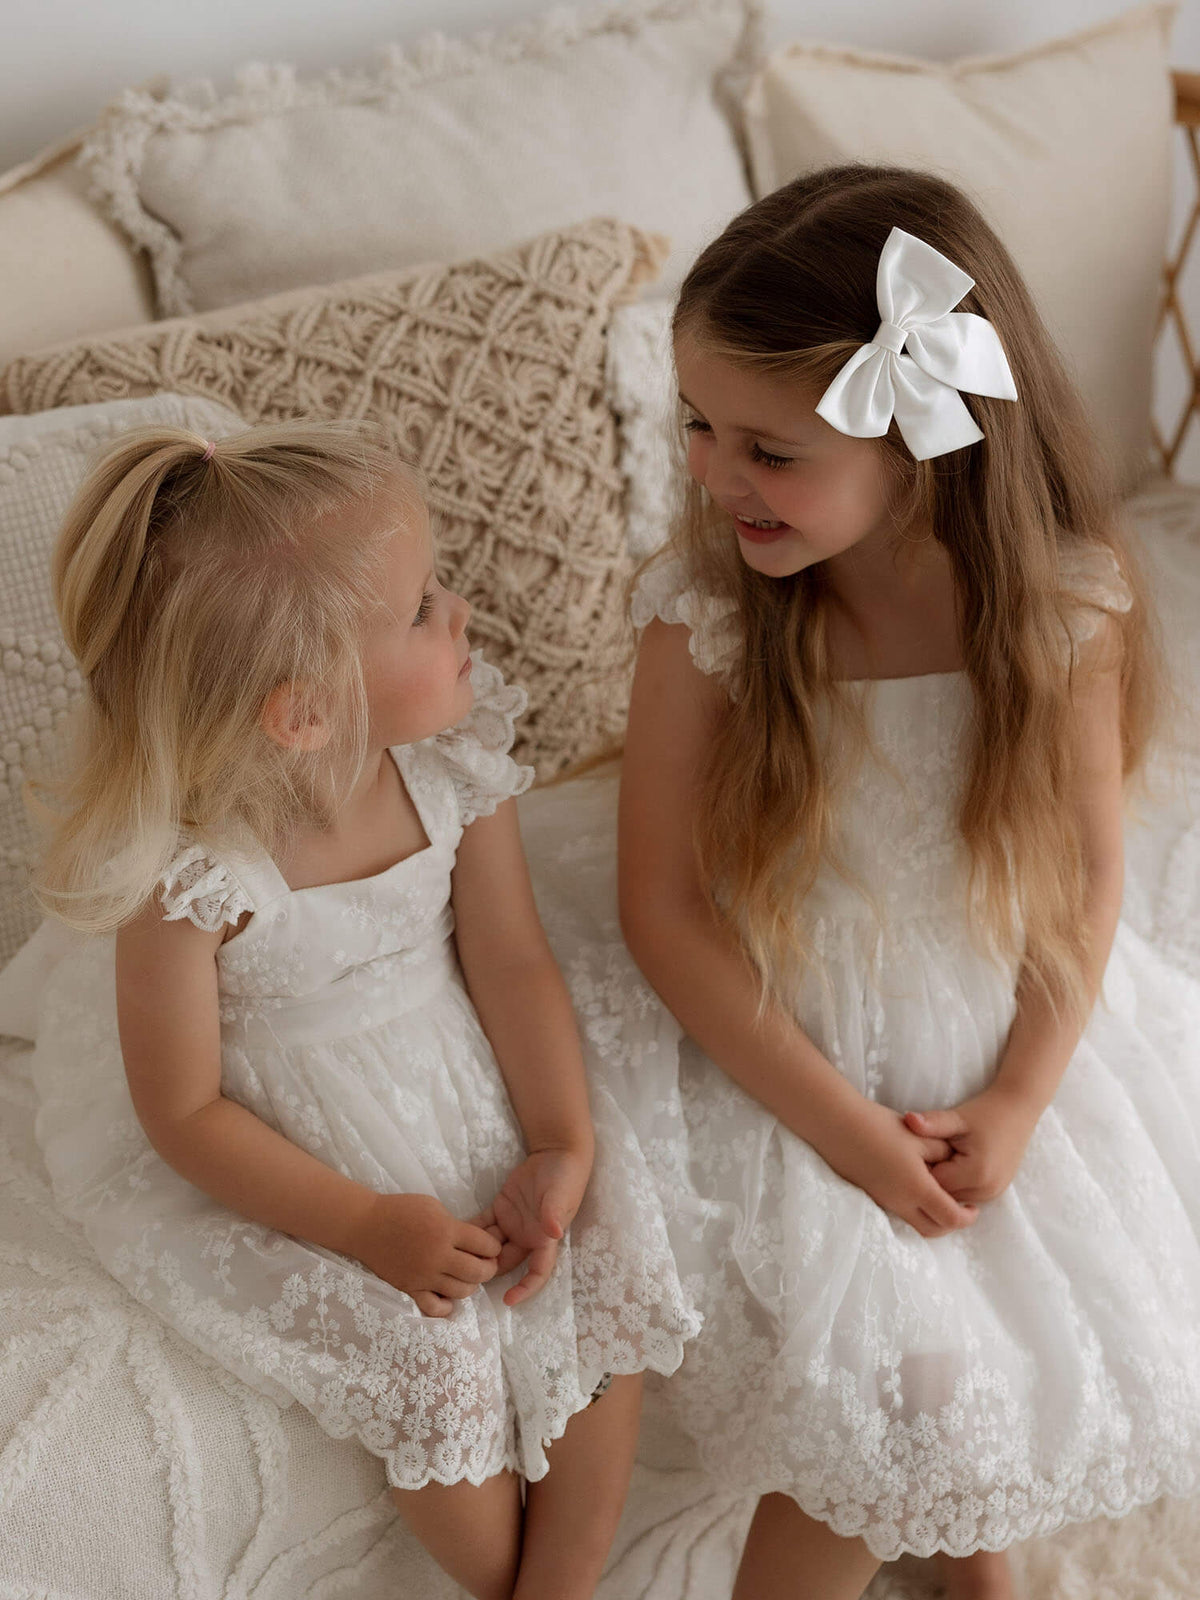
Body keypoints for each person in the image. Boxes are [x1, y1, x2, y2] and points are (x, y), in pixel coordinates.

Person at [580, 166, 1200, 1599]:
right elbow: (662, 912)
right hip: (785, 1046)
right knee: (877, 1384)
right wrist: (849, 1131)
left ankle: (966, 1568)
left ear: (924, 443)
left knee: (966, 1342)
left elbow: (1088, 887)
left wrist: (1021, 1095)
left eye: (772, 450)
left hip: (996, 1024)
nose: (717, 477)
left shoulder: (1057, 616)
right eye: (697, 427)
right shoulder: (705, 630)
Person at [0, 422, 698, 1600]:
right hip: (308, 1161)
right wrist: (369, 1225)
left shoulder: (452, 774)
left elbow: (514, 962)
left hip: (460, 1085)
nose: (462, 610)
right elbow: (183, 1109)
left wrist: (559, 1139)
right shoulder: (193, 879)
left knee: (600, 1266)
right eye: (424, 607)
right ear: (304, 713)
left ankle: (564, 1586)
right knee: (430, 1365)